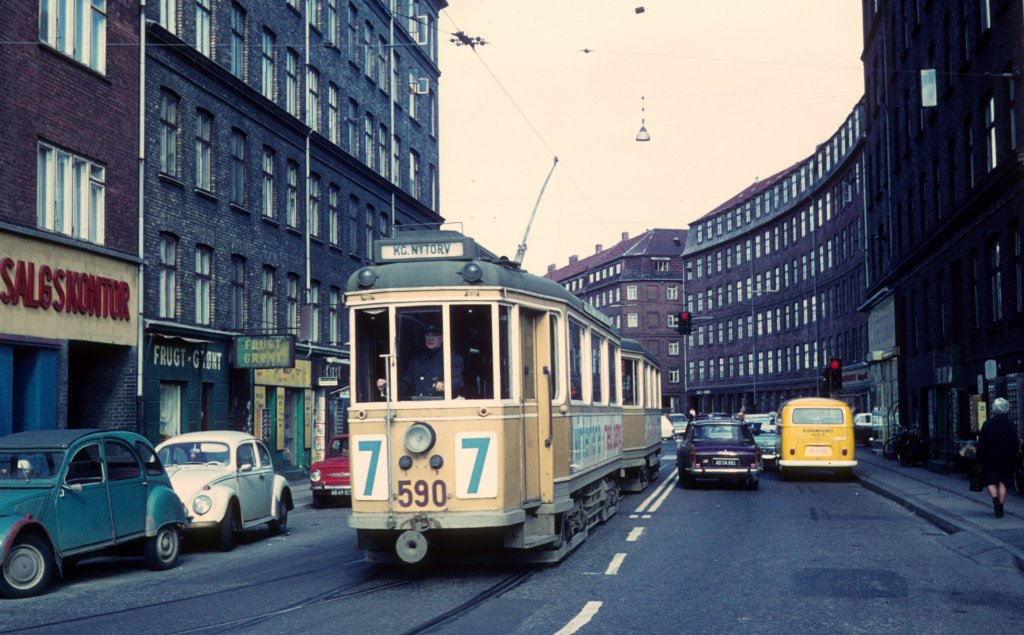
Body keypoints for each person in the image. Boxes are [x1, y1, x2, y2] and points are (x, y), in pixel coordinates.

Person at [377, 325, 464, 399]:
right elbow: (407, 385)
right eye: (427, 335)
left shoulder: (453, 358)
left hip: (442, 406)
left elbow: (458, 382)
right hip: (420, 405)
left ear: (442, 338)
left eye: (435, 335)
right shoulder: (416, 360)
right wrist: (387, 386)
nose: (430, 338)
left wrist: (445, 384)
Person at [975, 397, 1021, 518]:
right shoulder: (1011, 425)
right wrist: (1017, 460)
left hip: (990, 457)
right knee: (1002, 483)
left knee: (990, 481)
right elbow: (1015, 444)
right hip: (1006, 458)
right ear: (1007, 409)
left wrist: (978, 459)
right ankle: (1000, 506)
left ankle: (996, 500)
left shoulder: (987, 424)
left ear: (994, 409)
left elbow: (981, 443)